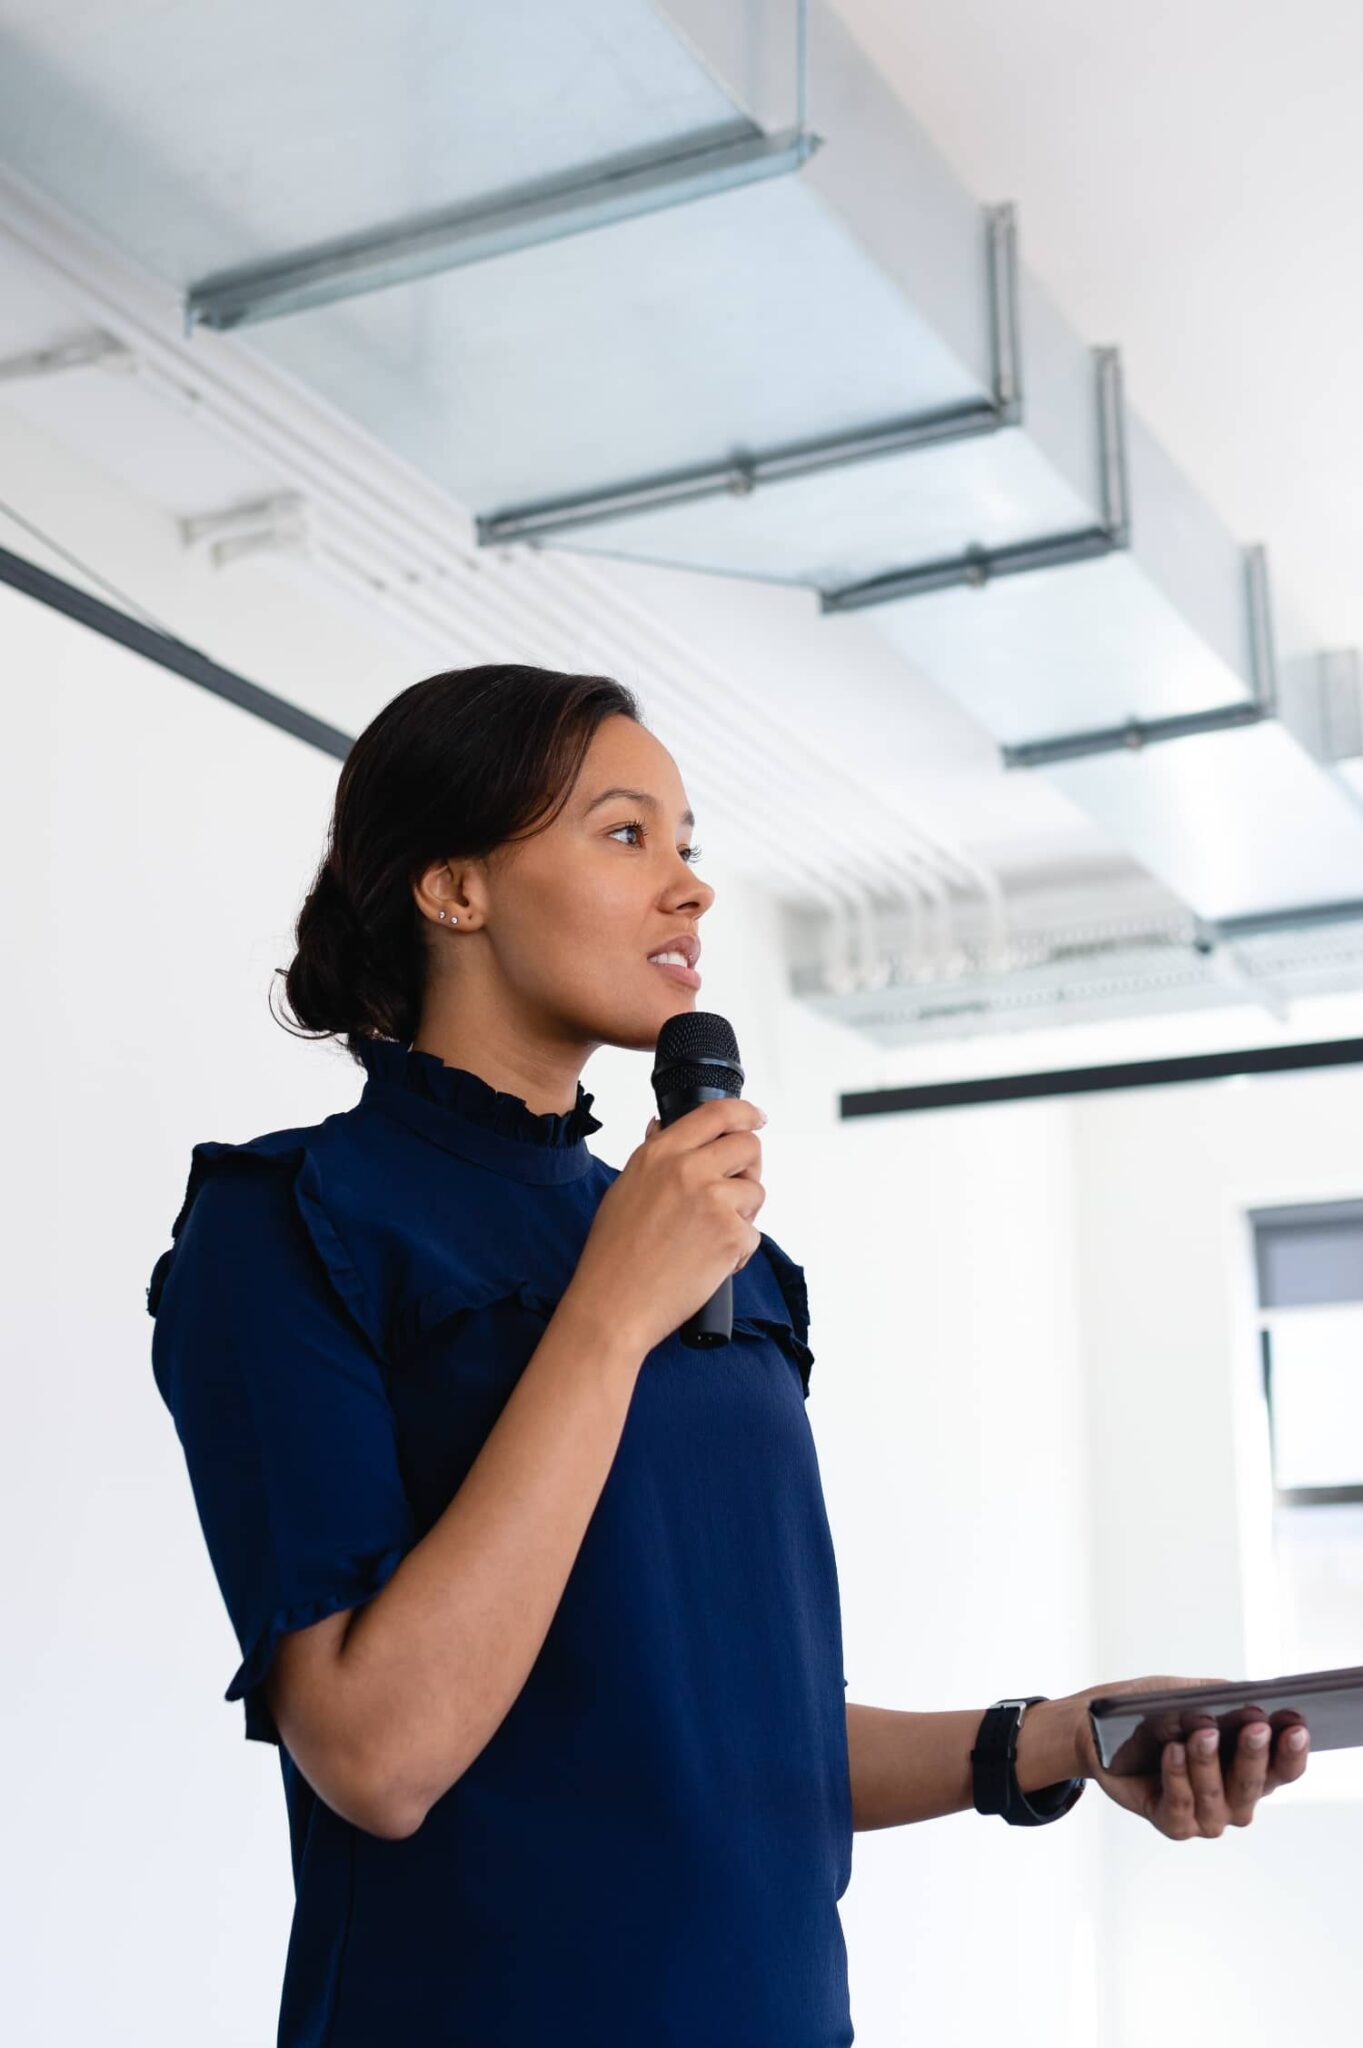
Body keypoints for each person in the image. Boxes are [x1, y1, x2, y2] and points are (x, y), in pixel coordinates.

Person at [147, 663, 1310, 2047]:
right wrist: (607, 1317)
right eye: (625, 834)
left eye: (688, 844)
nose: (691, 888)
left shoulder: (724, 1255)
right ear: (453, 889)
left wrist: (1060, 1734)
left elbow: (734, 1744)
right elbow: (378, 1755)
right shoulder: (288, 1225)